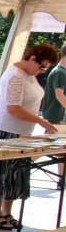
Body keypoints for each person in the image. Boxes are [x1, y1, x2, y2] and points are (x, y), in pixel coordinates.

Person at [0, 43, 60, 231]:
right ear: (32, 58)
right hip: (3, 129)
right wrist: (40, 121)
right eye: (41, 66)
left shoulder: (29, 74)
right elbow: (13, 109)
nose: (41, 71)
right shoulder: (15, 76)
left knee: (16, 173)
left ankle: (7, 212)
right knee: (0, 172)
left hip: (21, 131)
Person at [41, 50, 66, 179]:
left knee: (61, 150)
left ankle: (61, 179)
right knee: (44, 147)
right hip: (56, 116)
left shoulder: (61, 72)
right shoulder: (60, 72)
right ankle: (18, 167)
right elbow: (59, 95)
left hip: (58, 116)